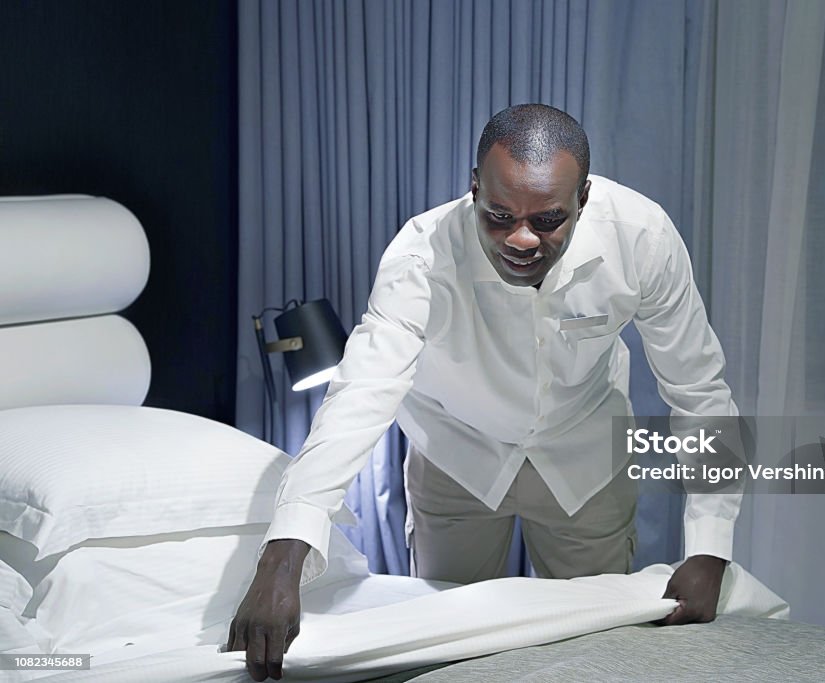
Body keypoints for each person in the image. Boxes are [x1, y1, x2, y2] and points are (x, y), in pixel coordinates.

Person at [227, 104, 741, 681]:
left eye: (547, 220)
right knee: (451, 654)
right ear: (473, 188)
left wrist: (709, 545)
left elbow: (698, 390)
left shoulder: (642, 239)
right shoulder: (421, 256)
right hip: (457, 459)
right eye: (498, 215)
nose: (521, 238)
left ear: (584, 198)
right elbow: (362, 390)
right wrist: (285, 552)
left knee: (602, 653)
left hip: (586, 458)